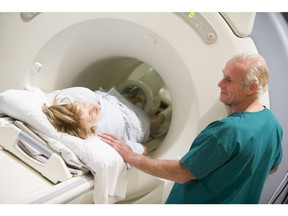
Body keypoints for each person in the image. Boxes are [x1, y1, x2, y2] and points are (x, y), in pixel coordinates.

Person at [98, 53, 283, 204]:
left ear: (251, 88)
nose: (220, 83)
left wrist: (130, 156)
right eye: (223, 75)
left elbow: (181, 173)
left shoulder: (227, 131)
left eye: (229, 80)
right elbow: (272, 167)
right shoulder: (272, 124)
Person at [42, 87, 170, 155]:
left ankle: (140, 98)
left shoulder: (75, 100)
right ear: (89, 129)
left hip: (116, 101)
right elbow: (143, 149)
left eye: (85, 105)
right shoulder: (102, 137)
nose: (92, 107)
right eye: (91, 116)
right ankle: (167, 112)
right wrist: (137, 150)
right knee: (154, 124)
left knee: (137, 95)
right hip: (136, 124)